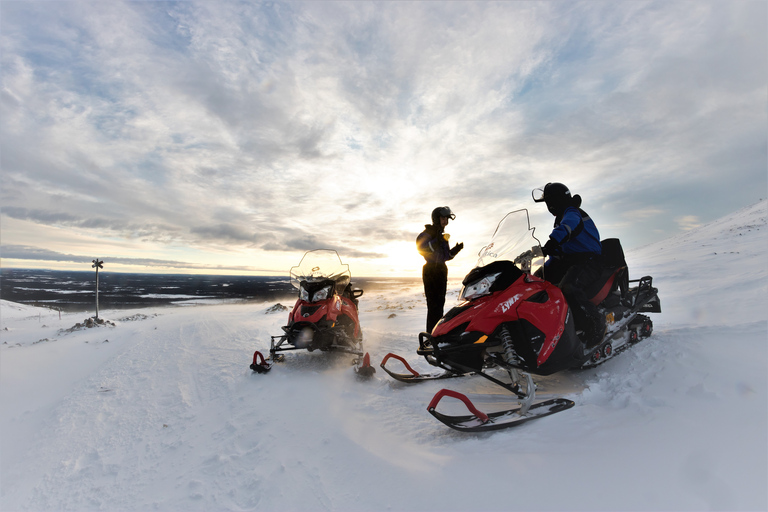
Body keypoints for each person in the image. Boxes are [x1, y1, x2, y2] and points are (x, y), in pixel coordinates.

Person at [532, 183, 606, 348]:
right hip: (570, 261)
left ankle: (595, 324)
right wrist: (540, 270)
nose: (548, 208)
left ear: (554, 202)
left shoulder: (572, 213)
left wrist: (553, 241)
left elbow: (568, 227)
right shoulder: (562, 219)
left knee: (569, 287)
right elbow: (559, 253)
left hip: (589, 260)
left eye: (548, 203)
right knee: (534, 284)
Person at [417, 206, 464, 333]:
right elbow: (420, 247)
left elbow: (446, 256)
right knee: (433, 307)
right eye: (443, 218)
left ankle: (437, 334)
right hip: (431, 270)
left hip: (441, 270)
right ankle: (431, 336)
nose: (445, 221)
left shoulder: (441, 236)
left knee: (439, 306)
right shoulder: (429, 233)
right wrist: (434, 243)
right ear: (436, 219)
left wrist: (456, 249)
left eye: (447, 219)